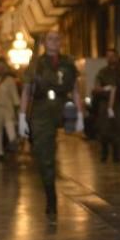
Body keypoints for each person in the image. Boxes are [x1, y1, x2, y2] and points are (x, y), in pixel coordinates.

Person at [18, 29, 82, 220]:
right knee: (44, 154)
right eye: (50, 39)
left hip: (63, 106)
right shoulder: (36, 65)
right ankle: (50, 196)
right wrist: (22, 116)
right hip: (42, 109)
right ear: (45, 43)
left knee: (62, 147)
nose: (54, 42)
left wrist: (80, 114)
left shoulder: (68, 63)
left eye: (57, 38)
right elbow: (26, 91)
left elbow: (76, 90)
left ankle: (52, 186)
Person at [91, 49, 120, 163]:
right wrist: (105, 90)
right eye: (108, 56)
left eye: (112, 56)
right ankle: (104, 152)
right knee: (104, 130)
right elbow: (97, 88)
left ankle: (116, 154)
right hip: (104, 103)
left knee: (116, 130)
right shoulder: (102, 72)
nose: (110, 58)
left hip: (118, 104)